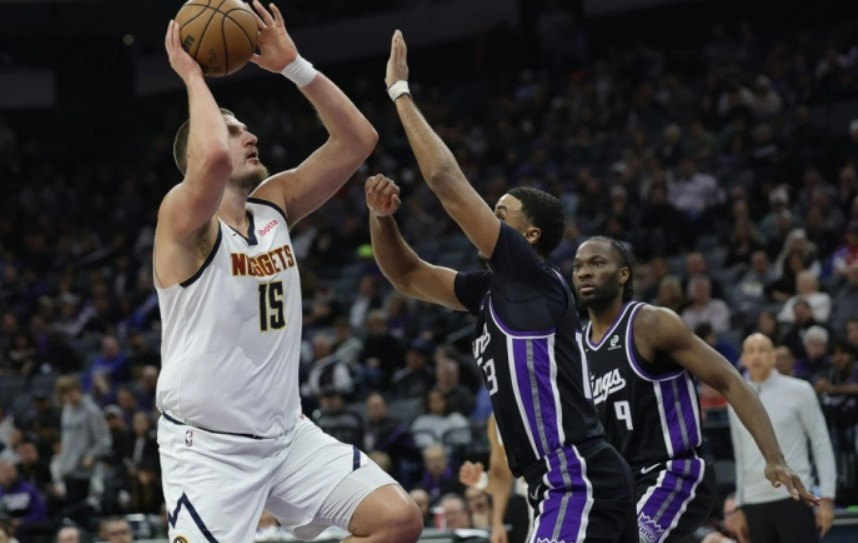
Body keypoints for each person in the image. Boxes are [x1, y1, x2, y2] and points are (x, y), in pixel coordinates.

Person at [154, 5, 421, 543]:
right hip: (208, 449)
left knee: (397, 521)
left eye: (245, 127)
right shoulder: (184, 221)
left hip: (286, 436)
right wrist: (192, 75)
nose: (249, 135)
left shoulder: (273, 205)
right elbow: (211, 162)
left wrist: (295, 66)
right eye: (232, 130)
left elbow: (358, 140)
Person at [368, 30, 636, 542]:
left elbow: (446, 182)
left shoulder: (531, 276)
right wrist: (381, 219)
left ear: (528, 235)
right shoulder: (489, 291)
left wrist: (399, 92)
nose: (489, 219)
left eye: (501, 213)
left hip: (574, 475)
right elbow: (407, 275)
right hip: (558, 478)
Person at [571, 237, 818, 543]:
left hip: (673, 472)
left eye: (597, 263)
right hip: (618, 484)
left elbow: (731, 381)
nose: (584, 272)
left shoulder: (650, 324)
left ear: (623, 274)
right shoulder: (577, 348)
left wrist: (774, 457)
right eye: (578, 266)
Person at [730, 334, 836, 543]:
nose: (756, 356)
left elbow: (821, 443)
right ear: (743, 358)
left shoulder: (800, 390)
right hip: (754, 501)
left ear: (773, 357)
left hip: (794, 496)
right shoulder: (735, 398)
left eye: (762, 350)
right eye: (750, 351)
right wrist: (740, 505)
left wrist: (827, 497)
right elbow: (740, 454)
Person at [459, 414, 528, 543]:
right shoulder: (496, 417)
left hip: (565, 493)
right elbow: (501, 478)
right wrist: (480, 480)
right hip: (533, 507)